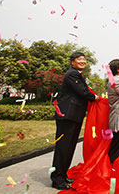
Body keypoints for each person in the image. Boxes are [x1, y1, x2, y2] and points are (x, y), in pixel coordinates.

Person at [50, 52, 99, 190]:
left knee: (69, 147)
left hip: (74, 115)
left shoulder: (77, 74)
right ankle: (57, 179)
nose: (83, 61)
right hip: (67, 115)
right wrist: (95, 98)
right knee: (63, 148)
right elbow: (83, 92)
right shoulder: (72, 74)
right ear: (72, 62)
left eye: (84, 59)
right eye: (79, 59)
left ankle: (63, 175)